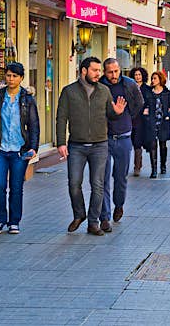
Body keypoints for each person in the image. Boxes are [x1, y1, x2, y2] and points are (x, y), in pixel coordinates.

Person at [56, 57, 127, 236]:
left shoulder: (104, 91)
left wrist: (117, 113)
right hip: (76, 146)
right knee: (74, 183)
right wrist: (61, 142)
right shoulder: (68, 91)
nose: (98, 74)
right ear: (84, 71)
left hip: (100, 145)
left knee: (98, 185)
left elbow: (110, 114)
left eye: (99, 70)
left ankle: (93, 222)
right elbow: (61, 118)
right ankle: (79, 214)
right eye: (94, 70)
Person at [0, 62, 39, 235]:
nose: (11, 79)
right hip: (0, 150)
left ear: (21, 78)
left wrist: (33, 147)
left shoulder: (27, 99)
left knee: (16, 188)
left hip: (19, 150)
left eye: (15, 76)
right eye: (8, 75)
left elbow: (34, 125)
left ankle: (14, 221)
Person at [98, 58, 144, 232]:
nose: (114, 75)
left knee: (120, 177)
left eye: (116, 71)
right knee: (102, 178)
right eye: (110, 72)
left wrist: (128, 116)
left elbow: (139, 103)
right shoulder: (100, 85)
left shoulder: (129, 84)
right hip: (104, 138)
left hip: (124, 137)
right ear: (105, 72)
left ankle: (119, 204)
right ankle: (105, 216)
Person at [143, 70, 170, 178]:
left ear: (160, 80)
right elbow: (144, 106)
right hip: (152, 122)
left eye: (155, 78)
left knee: (163, 145)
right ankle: (154, 170)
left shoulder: (167, 93)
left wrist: (168, 116)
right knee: (152, 145)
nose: (153, 80)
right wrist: (145, 113)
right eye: (152, 78)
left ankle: (163, 166)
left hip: (163, 122)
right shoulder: (149, 93)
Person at [130, 67, 150, 176]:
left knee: (138, 143)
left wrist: (147, 109)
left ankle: (137, 167)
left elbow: (149, 102)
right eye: (136, 75)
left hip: (142, 119)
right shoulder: (130, 88)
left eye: (139, 75)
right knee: (133, 142)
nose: (137, 77)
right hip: (131, 118)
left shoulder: (147, 89)